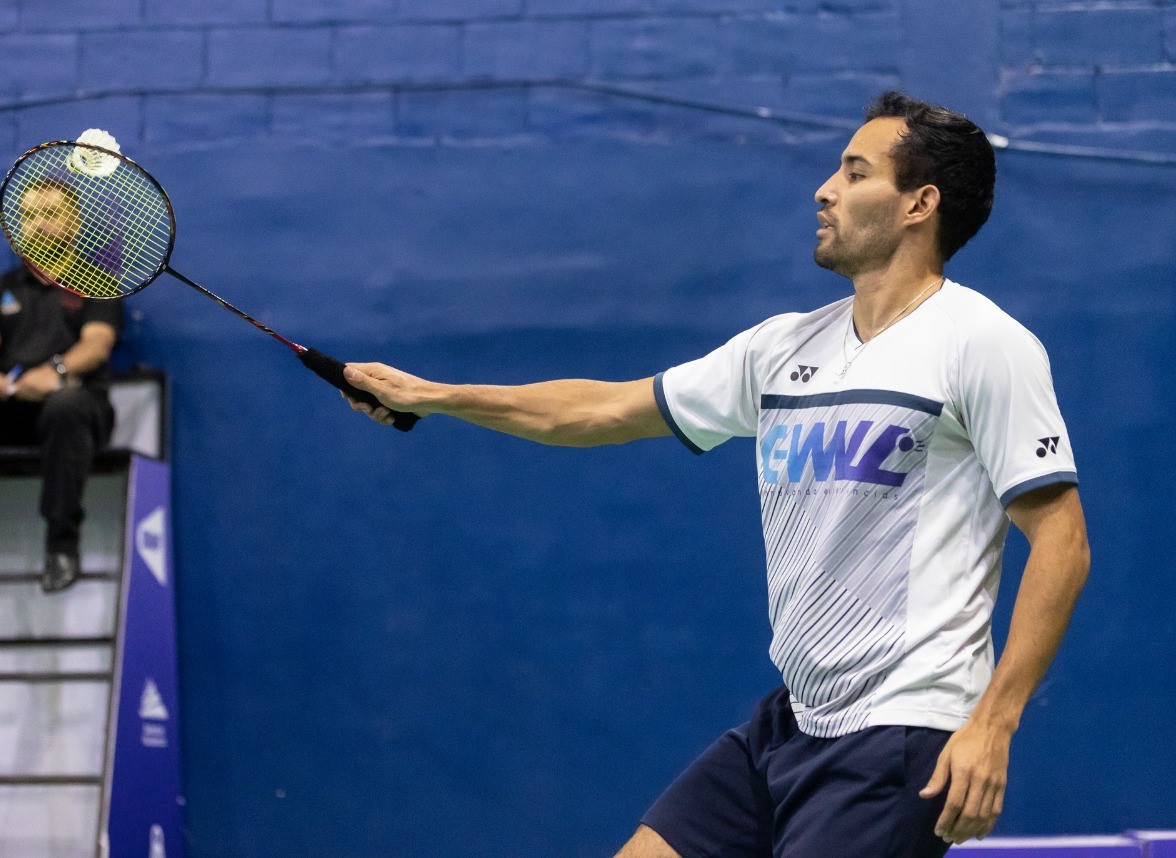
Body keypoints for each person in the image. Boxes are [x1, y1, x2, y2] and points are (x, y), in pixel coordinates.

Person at [338, 91, 1091, 854]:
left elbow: (1063, 543)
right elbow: (602, 410)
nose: (824, 189)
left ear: (918, 205)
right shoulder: (784, 348)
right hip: (793, 721)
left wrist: (992, 723)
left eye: (855, 172)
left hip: (899, 732)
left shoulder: (982, 344)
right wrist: (435, 397)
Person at [0, 178, 123, 592]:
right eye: (29, 216)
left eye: (50, 213)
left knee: (66, 407)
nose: (38, 224)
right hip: (13, 410)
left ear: (73, 222)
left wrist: (55, 373)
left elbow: (97, 345)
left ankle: (60, 544)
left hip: (77, 408)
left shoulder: (97, 283)